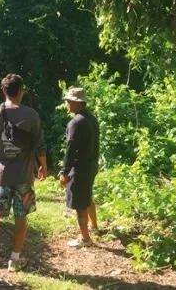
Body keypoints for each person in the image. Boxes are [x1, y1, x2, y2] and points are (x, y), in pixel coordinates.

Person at [0, 74, 48, 271]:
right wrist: (43, 166)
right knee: (21, 216)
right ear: (21, 91)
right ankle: (15, 260)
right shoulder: (31, 115)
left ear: (4, 90)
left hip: (2, 176)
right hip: (24, 177)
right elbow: (39, 145)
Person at [59, 87, 100, 248]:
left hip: (80, 168)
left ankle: (85, 238)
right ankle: (94, 227)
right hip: (91, 165)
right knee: (87, 195)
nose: (67, 104)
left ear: (77, 103)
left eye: (69, 101)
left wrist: (64, 172)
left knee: (79, 203)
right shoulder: (91, 118)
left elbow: (70, 149)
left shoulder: (76, 122)